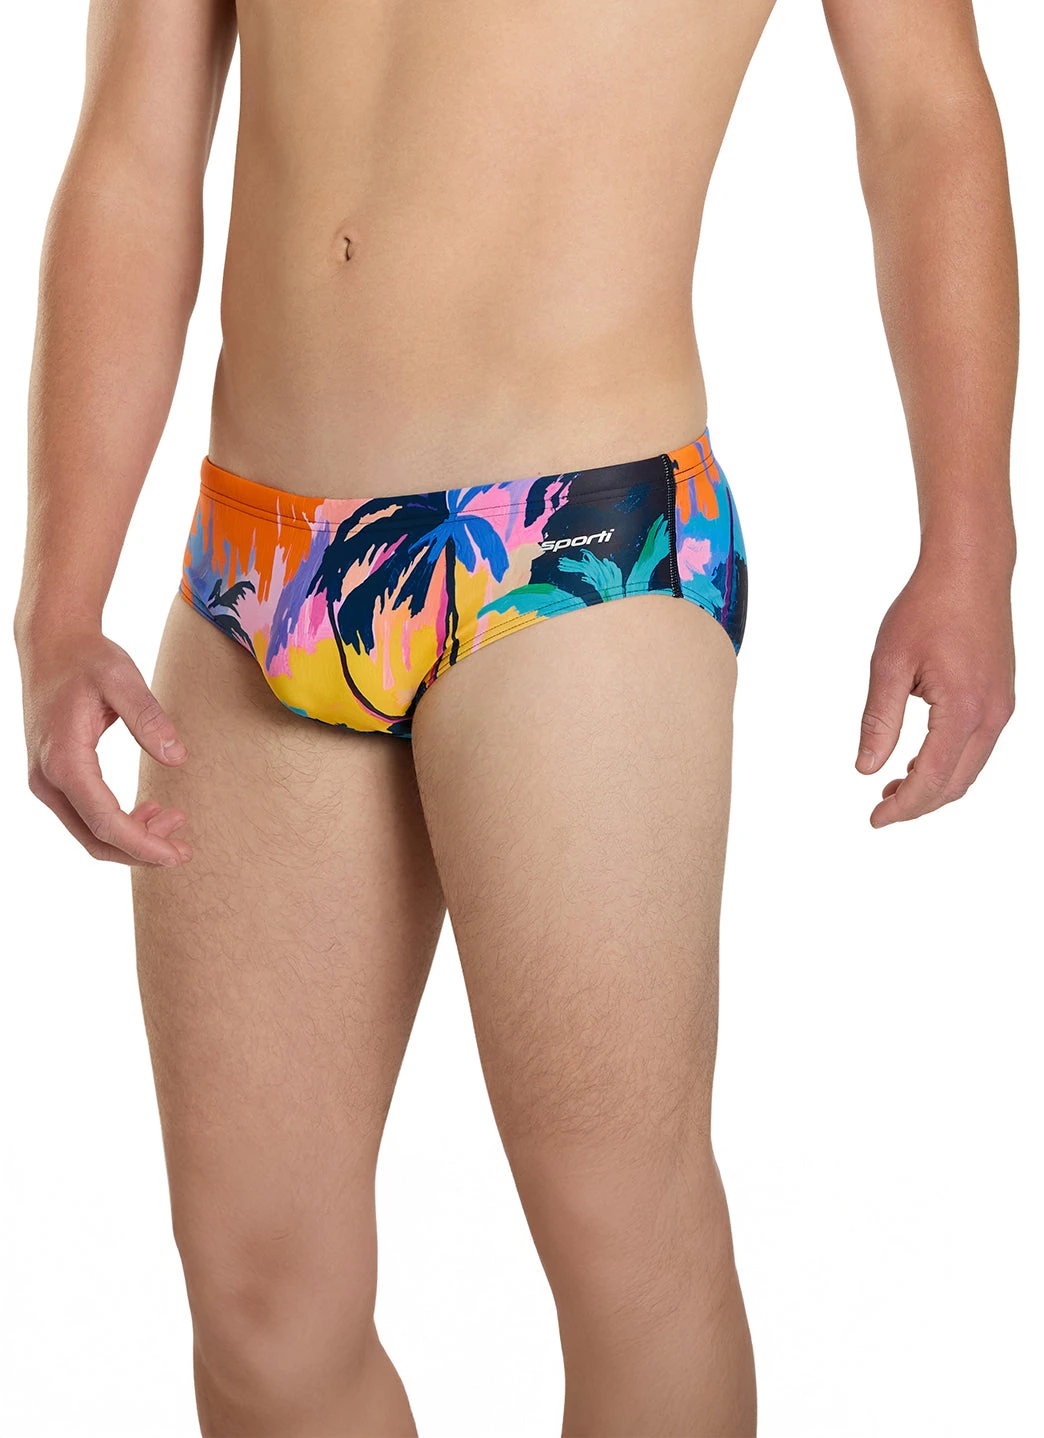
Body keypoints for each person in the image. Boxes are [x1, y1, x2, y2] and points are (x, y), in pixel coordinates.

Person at [13, 0, 1017, 1432]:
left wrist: (970, 544)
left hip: (571, 541)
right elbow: (131, 148)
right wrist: (57, 606)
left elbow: (926, 114)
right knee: (258, 1300)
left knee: (620, 1230)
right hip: (256, 564)